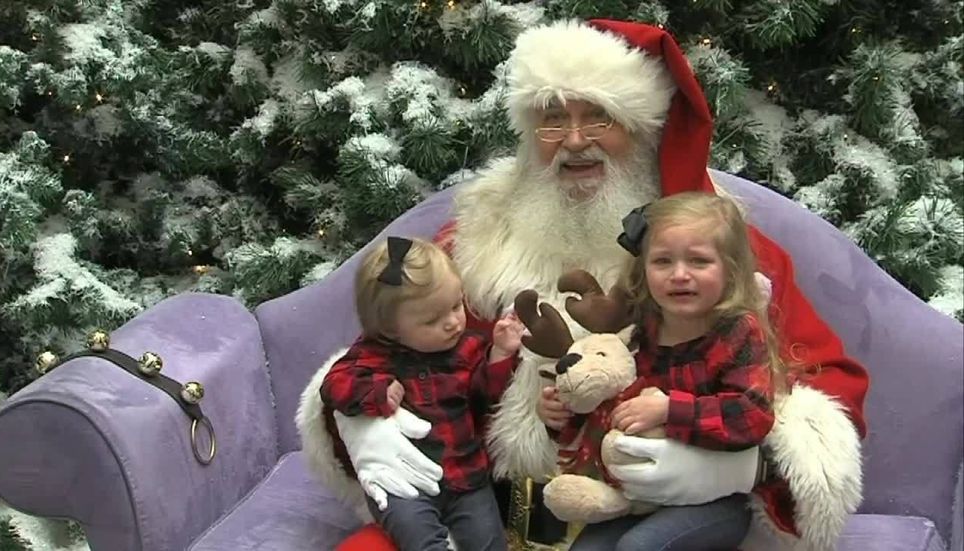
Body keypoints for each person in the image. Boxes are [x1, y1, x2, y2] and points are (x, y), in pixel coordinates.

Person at [297, 18, 869, 551]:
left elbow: (825, 381)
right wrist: (359, 421)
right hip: (484, 511)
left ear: (642, 129)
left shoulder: (718, 252)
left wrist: (744, 467)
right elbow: (389, 345)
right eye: (552, 119)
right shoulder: (476, 240)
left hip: (655, 519)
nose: (573, 141)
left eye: (599, 118)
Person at [542, 192, 786, 551]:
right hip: (642, 494)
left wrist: (671, 409)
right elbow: (610, 408)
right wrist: (560, 415)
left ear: (731, 269)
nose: (680, 275)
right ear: (643, 270)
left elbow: (752, 416)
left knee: (640, 547)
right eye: (662, 261)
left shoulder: (737, 331)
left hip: (717, 497)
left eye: (699, 261)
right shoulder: (642, 332)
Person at [319, 236, 524, 551]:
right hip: (406, 488)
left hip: (467, 478)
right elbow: (333, 386)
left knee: (489, 543)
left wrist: (499, 354)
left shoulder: (469, 347)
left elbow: (486, 398)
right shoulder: (373, 355)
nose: (453, 323)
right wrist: (376, 391)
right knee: (421, 540)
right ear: (390, 329)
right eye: (432, 320)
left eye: (456, 306)